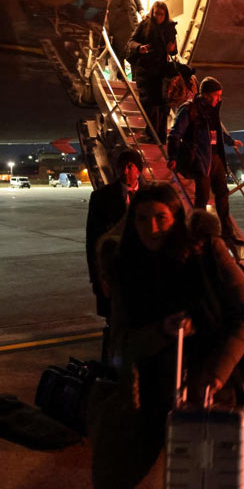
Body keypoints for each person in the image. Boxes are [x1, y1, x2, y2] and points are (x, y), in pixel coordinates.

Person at [91, 182, 244, 489]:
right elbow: (121, 342)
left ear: (177, 218)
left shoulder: (207, 252)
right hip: (155, 393)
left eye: (161, 218)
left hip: (208, 387)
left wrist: (217, 375)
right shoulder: (125, 265)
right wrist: (162, 331)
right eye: (141, 219)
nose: (150, 228)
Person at [166, 76, 244, 243]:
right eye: (217, 95)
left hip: (216, 159)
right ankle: (197, 234)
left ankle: (227, 234)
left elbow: (217, 132)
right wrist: (172, 156)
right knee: (201, 199)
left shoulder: (212, 110)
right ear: (207, 95)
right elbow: (174, 134)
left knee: (222, 196)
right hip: (201, 160)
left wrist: (231, 142)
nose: (219, 99)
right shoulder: (189, 109)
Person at [85, 150, 144, 362]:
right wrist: (97, 279)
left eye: (130, 166)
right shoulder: (101, 198)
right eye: (122, 166)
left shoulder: (151, 194)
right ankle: (110, 366)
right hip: (115, 274)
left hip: (143, 275)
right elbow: (93, 242)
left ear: (139, 169)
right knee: (114, 326)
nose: (125, 170)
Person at [126, 0, 177, 141]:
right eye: (156, 14)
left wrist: (172, 49)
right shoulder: (144, 25)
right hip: (146, 70)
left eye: (162, 14)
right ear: (152, 13)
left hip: (162, 71)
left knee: (162, 106)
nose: (159, 17)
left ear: (165, 15)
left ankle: (159, 136)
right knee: (149, 103)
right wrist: (139, 48)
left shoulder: (169, 27)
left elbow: (173, 50)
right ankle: (151, 134)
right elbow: (131, 42)